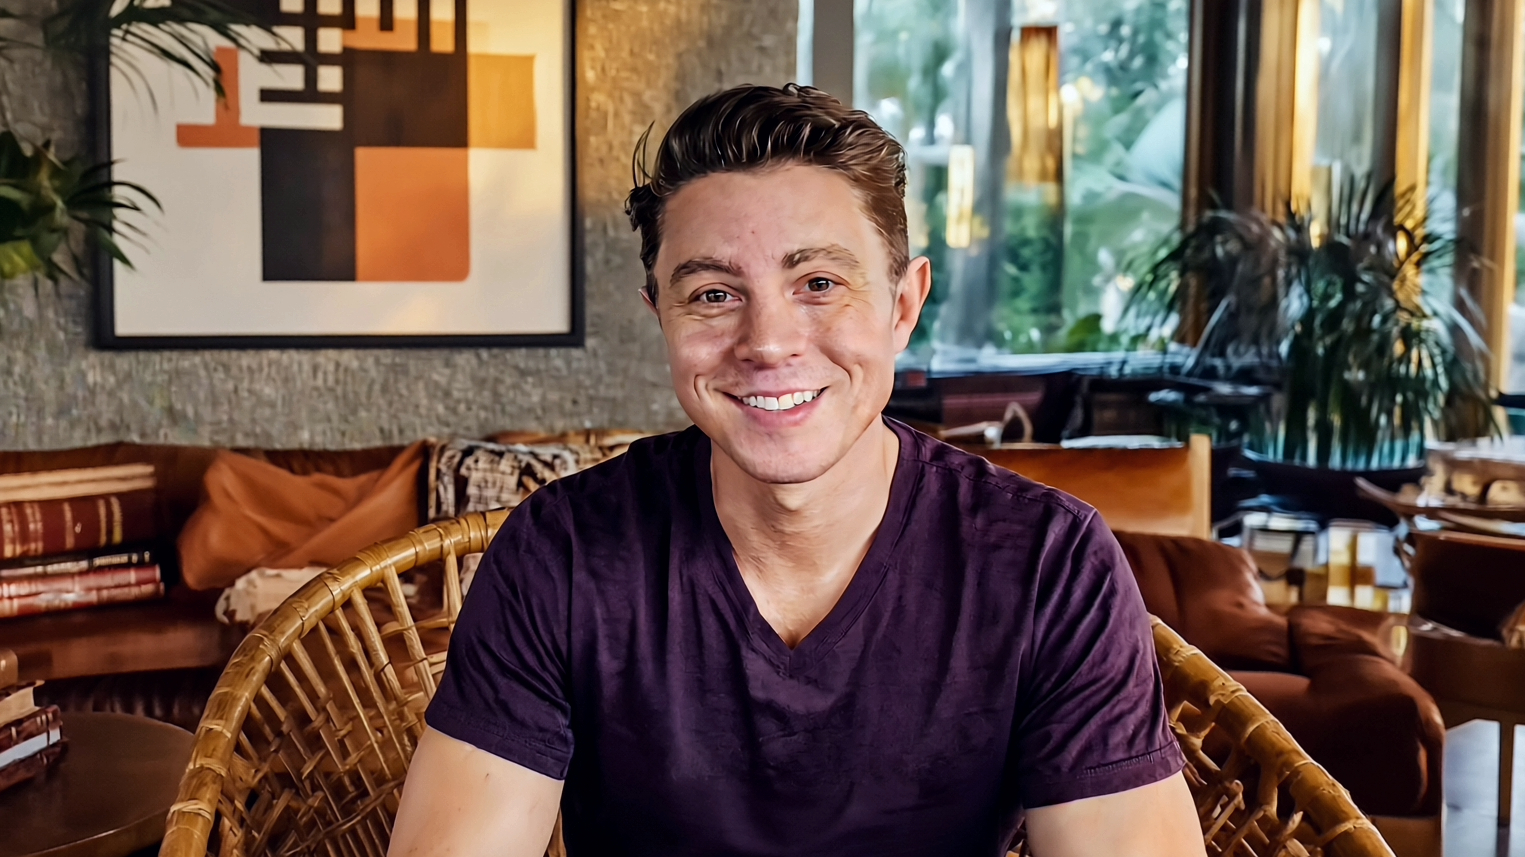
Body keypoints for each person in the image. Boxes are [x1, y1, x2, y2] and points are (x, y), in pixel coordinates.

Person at [387, 84, 1205, 857]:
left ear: (902, 306)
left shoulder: (1046, 562)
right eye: (713, 294)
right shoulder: (560, 551)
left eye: (818, 283)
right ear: (660, 315)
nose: (768, 342)